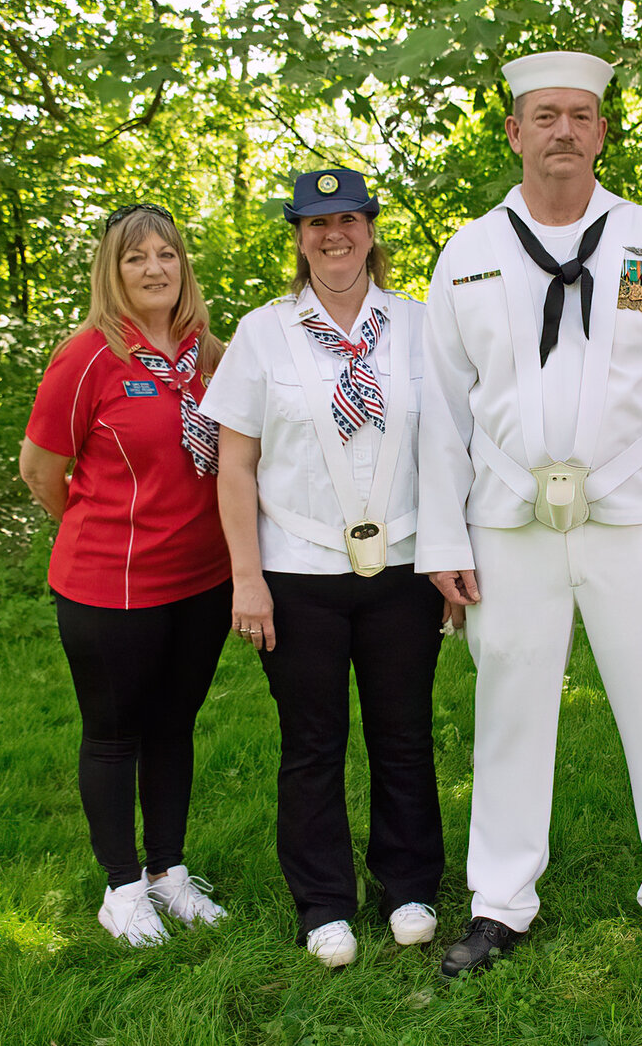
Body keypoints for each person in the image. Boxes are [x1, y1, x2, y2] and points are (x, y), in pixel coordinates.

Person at [418, 50, 642, 977]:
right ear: (515, 132)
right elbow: (440, 406)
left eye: (581, 116)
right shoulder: (469, 254)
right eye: (544, 115)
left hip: (633, 514)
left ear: (601, 131)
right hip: (506, 521)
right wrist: (442, 537)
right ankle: (499, 902)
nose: (564, 130)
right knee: (509, 705)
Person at [199, 169, 445, 969]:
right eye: (315, 224)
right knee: (312, 740)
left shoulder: (419, 326)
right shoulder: (262, 333)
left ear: (372, 229)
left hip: (403, 565)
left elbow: (450, 449)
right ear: (298, 239)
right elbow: (234, 465)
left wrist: (450, 554)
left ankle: (409, 885)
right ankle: (325, 903)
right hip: (297, 568)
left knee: (403, 734)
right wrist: (246, 577)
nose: (333, 236)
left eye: (347, 220)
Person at [19, 202, 231, 946]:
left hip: (205, 579)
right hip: (112, 586)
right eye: (136, 257)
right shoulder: (87, 356)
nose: (154, 269)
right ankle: (120, 886)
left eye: (166, 255)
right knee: (115, 734)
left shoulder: (208, 352)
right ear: (112, 270)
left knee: (174, 726)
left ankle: (168, 872)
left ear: (184, 267)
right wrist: (101, 528)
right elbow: (41, 470)